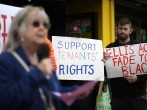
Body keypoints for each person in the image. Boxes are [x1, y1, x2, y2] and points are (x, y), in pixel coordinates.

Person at [0, 5, 78, 110]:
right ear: (20, 29)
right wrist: (38, 73)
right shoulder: (6, 60)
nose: (42, 28)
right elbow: (6, 100)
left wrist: (74, 92)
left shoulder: (43, 59)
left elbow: (53, 94)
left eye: (45, 25)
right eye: (35, 24)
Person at [103, 17, 147, 110]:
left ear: (130, 31)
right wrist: (104, 62)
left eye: (125, 29)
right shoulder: (110, 48)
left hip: (138, 99)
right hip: (118, 99)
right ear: (116, 29)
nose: (122, 31)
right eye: (120, 28)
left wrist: (137, 78)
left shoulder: (139, 47)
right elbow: (106, 73)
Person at [60, 25, 98, 110]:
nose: (74, 38)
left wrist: (100, 60)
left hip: (83, 92)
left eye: (77, 36)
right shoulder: (60, 52)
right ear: (67, 37)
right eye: (72, 36)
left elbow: (95, 71)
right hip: (67, 90)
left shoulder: (89, 53)